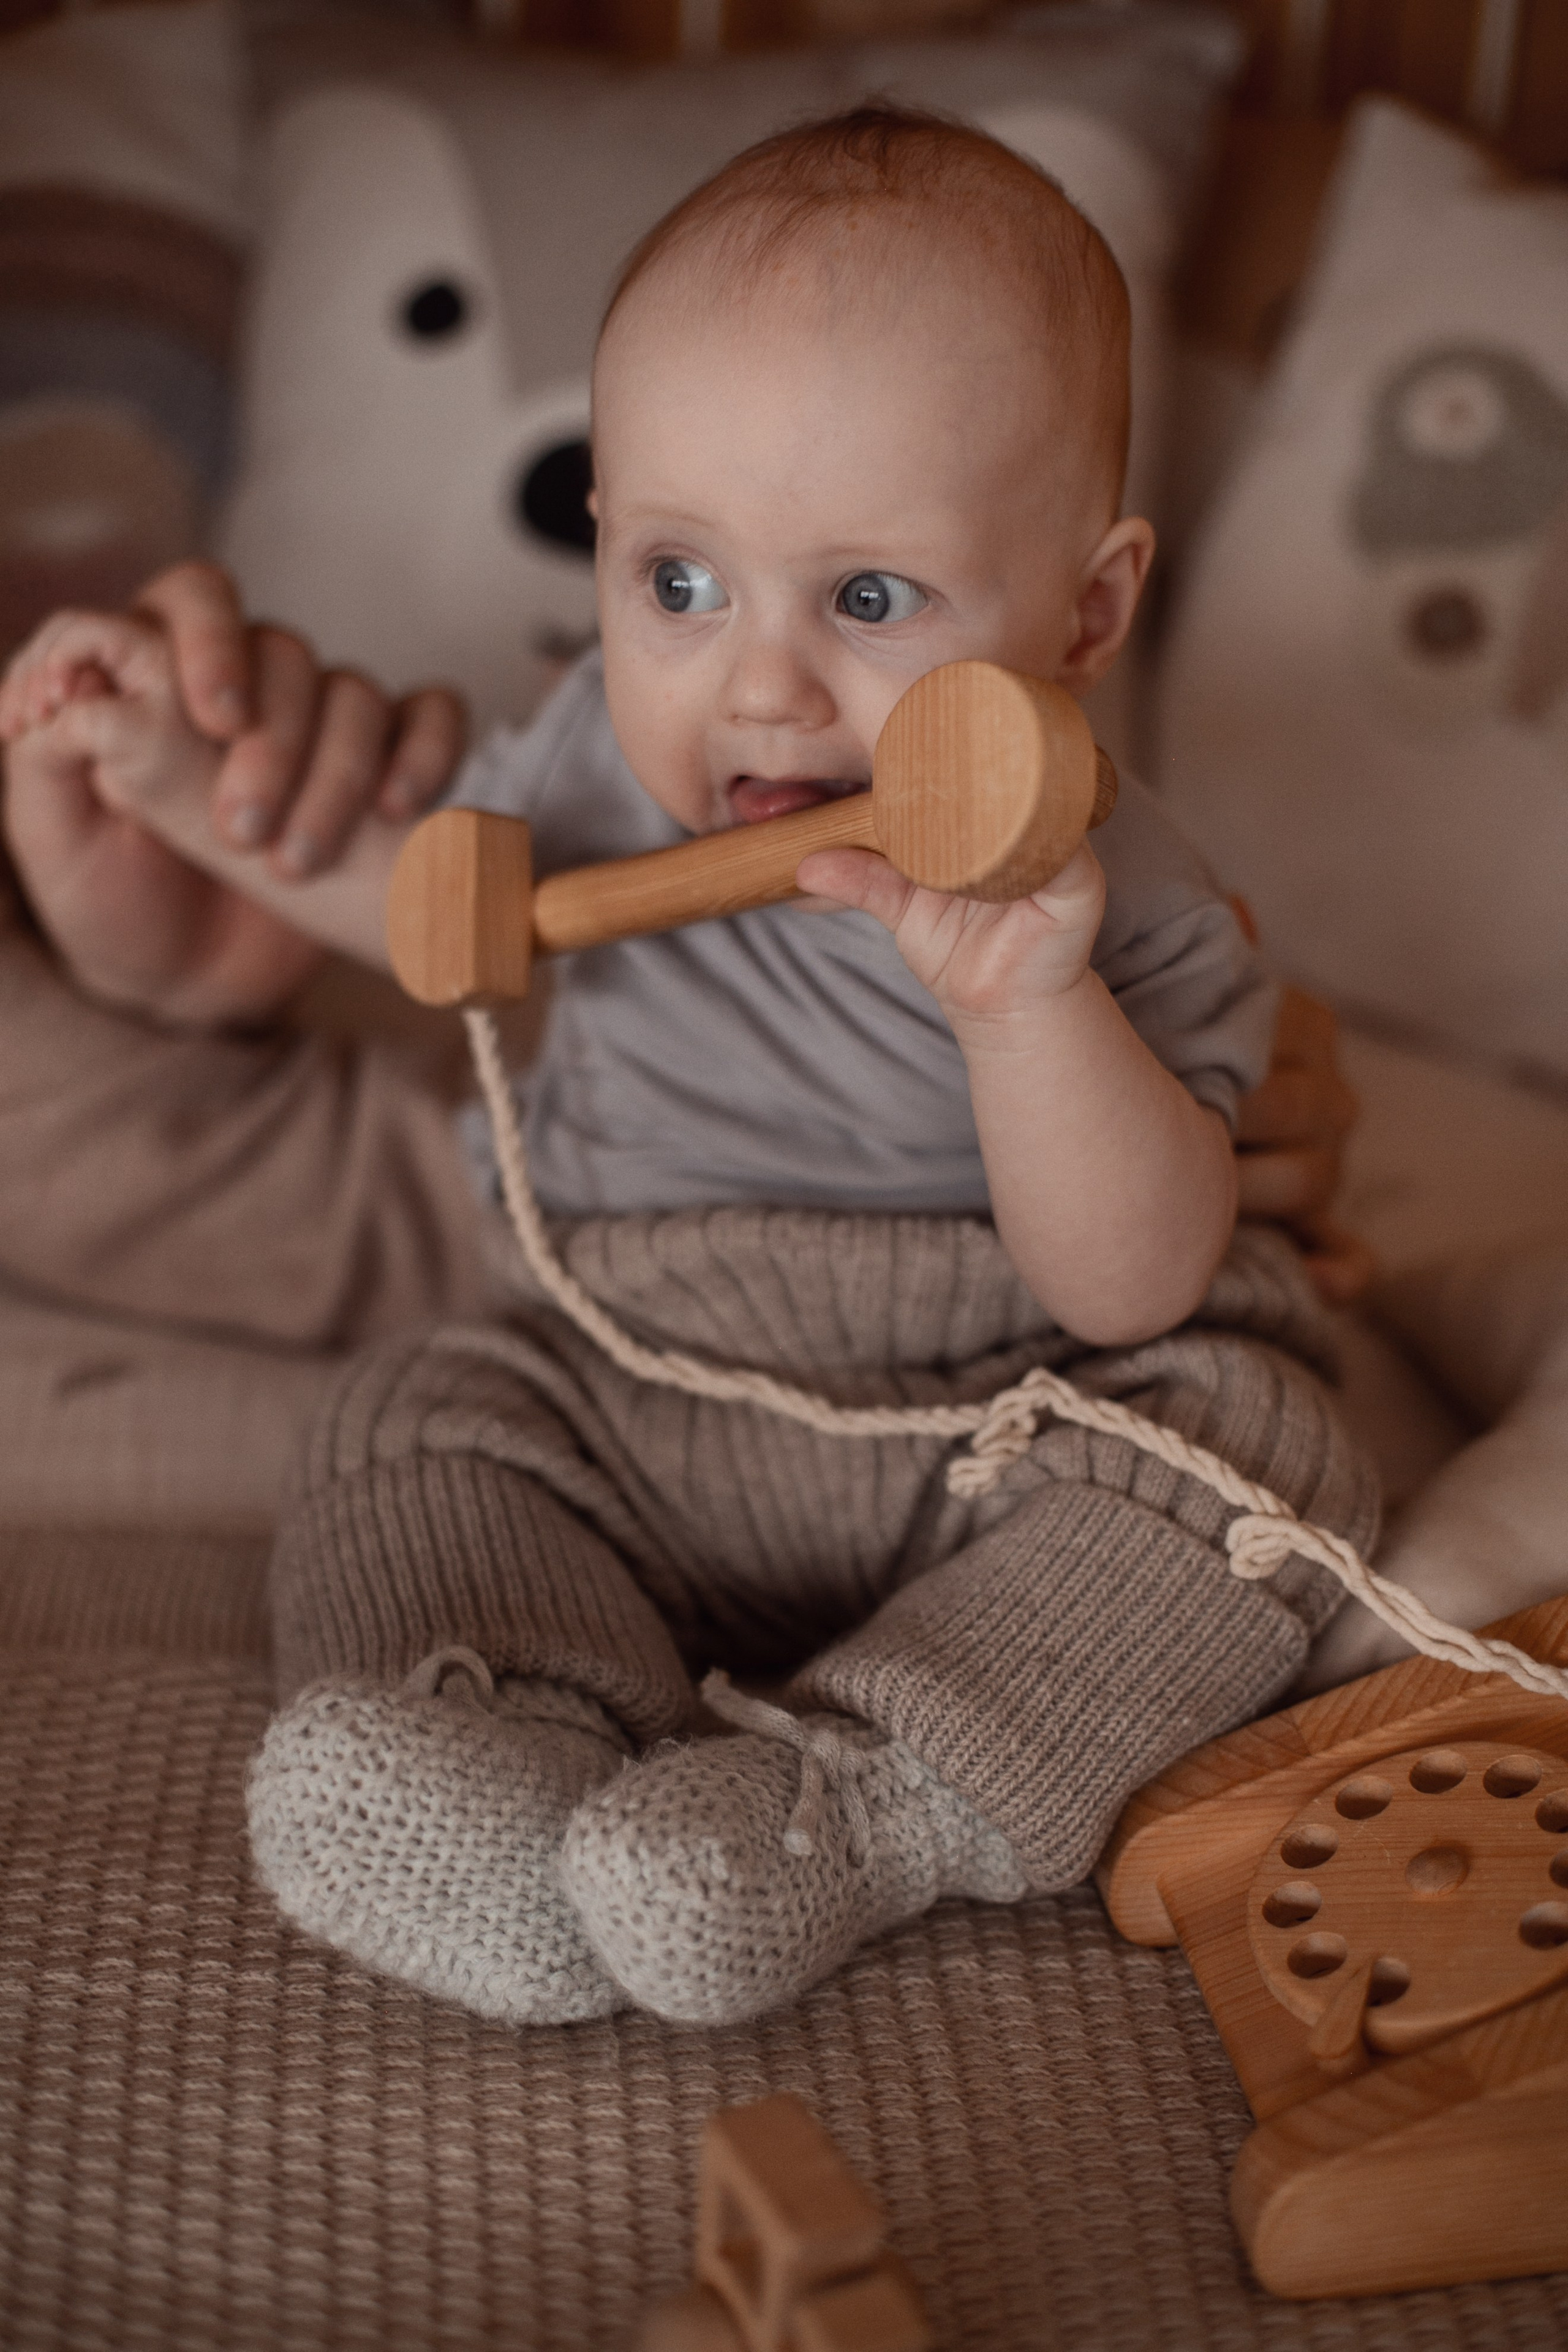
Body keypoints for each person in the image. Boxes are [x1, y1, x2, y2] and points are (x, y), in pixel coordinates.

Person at [0, 107, 1375, 2029]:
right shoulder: (585, 758)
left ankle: (856, 1803)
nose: (759, 684)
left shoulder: (1115, 897)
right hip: (631, 1370)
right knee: (415, 1421)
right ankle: (524, 1741)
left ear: (1088, 607)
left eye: (870, 599)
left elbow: (1133, 1282)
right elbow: (435, 901)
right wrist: (165, 784)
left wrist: (1028, 1012)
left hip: (993, 1411)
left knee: (1260, 1471)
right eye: (679, 579)